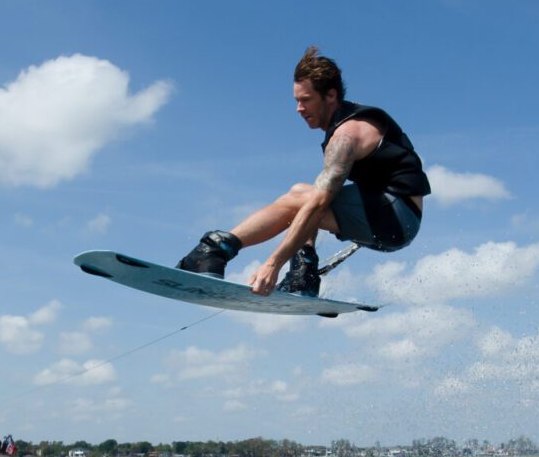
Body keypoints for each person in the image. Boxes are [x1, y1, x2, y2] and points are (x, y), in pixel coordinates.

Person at [177, 46, 430, 296]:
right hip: (392, 216)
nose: (299, 108)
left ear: (330, 96)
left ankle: (214, 249)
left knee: (305, 200)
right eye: (297, 100)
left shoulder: (346, 135)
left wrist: (272, 264)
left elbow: (318, 204)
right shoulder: (348, 122)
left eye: (306, 100)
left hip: (396, 217)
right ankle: (302, 274)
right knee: (302, 192)